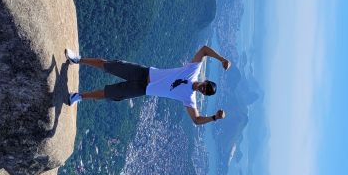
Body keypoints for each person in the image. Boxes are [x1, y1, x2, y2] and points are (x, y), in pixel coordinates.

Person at [65, 45, 231, 125]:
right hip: (144, 73)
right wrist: (222, 59)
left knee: (108, 94)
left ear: (204, 94)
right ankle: (78, 60)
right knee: (109, 65)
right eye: (206, 86)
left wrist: (214, 117)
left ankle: (79, 96)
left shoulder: (189, 98)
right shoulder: (193, 71)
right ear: (206, 81)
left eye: (206, 91)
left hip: (142, 89)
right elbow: (204, 50)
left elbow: (196, 120)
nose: (204, 88)